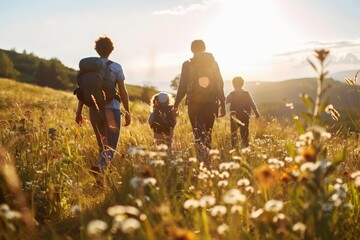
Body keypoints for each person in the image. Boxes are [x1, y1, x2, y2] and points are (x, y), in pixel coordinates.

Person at [75, 36, 131, 171]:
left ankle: (101, 182)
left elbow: (82, 91)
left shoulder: (89, 69)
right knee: (111, 146)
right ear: (111, 49)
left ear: (97, 50)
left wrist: (78, 112)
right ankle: (100, 168)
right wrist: (128, 112)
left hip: (94, 110)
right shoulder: (116, 67)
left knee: (102, 146)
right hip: (112, 109)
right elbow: (123, 91)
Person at [173, 39, 226, 164]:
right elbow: (220, 84)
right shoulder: (213, 63)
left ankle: (203, 162)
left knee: (198, 134)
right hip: (212, 103)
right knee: (208, 133)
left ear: (192, 50)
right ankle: (208, 162)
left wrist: (175, 105)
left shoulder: (187, 64)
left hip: (194, 104)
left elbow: (183, 86)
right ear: (204, 48)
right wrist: (222, 104)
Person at [226, 76, 260, 148]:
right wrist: (256, 113)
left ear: (233, 84)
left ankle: (234, 149)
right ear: (242, 84)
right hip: (245, 116)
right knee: (245, 134)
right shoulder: (246, 93)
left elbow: (225, 102)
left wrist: (218, 107)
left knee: (234, 134)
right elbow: (252, 104)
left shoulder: (232, 94)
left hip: (234, 117)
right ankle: (246, 149)